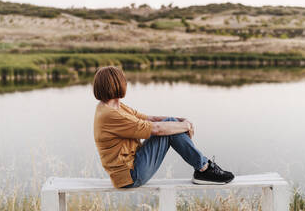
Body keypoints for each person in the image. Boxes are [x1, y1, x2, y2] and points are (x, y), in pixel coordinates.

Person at [93, 66, 234, 188]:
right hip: (131, 175)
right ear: (117, 84)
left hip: (131, 169)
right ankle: (204, 169)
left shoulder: (115, 106)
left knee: (170, 122)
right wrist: (184, 126)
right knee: (168, 128)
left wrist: (181, 121)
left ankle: (203, 168)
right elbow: (156, 129)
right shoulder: (110, 115)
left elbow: (150, 119)